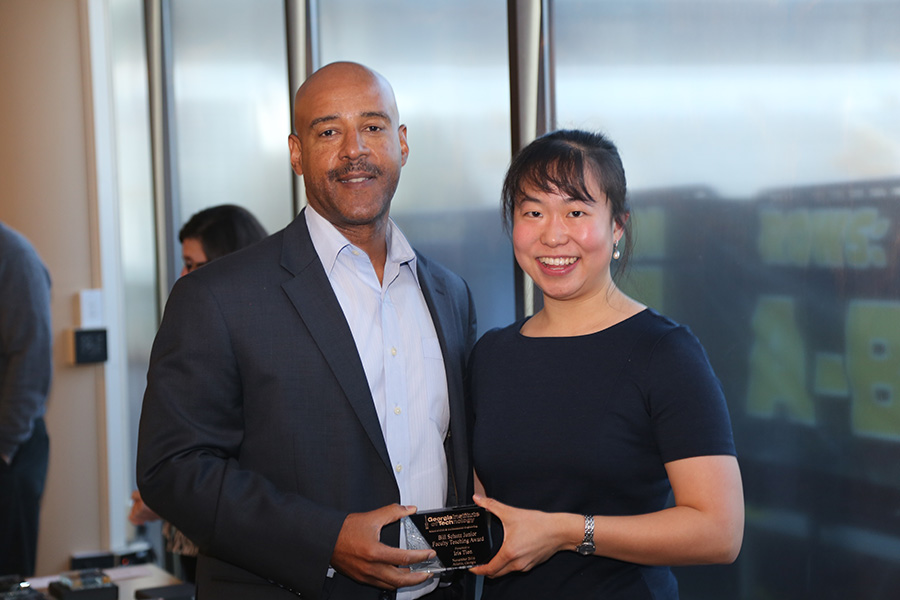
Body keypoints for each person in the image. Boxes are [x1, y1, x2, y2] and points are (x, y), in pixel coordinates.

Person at [136, 61, 477, 600]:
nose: (354, 149)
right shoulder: (216, 297)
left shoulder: (450, 294)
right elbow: (172, 470)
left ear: (402, 142)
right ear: (296, 153)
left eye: (373, 126)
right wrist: (327, 539)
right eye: (328, 131)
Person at [467, 129, 743, 599]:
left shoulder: (666, 352)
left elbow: (719, 531)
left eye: (576, 212)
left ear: (617, 226)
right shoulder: (491, 354)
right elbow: (481, 509)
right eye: (532, 212)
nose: (553, 234)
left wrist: (568, 531)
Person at [128, 204, 268, 583]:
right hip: (197, 534)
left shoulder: (262, 340)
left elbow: (247, 456)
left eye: (192, 264)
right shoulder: (199, 322)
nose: (183, 276)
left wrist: (165, 503)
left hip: (238, 548)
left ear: (227, 261)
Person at [0, 222, 52, 577]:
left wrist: (3, 447)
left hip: (10, 448)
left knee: (8, 575)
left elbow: (31, 359)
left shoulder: (14, 256)